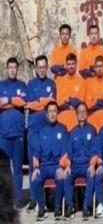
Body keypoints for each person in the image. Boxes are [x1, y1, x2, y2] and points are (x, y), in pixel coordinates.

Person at [31, 101, 72, 221]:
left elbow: (65, 151)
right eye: (50, 111)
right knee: (35, 179)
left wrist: (61, 166)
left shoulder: (63, 129)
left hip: (56, 166)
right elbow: (36, 152)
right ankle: (42, 209)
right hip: (43, 166)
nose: (52, 114)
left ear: (57, 113)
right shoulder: (41, 131)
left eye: (54, 111)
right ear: (47, 114)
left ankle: (57, 208)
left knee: (60, 177)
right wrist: (36, 168)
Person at [26, 54, 56, 211]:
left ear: (47, 67)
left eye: (44, 67)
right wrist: (44, 101)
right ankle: (33, 198)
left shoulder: (52, 83)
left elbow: (52, 105)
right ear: (36, 69)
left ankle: (49, 198)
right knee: (33, 164)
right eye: (39, 67)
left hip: (48, 130)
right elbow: (30, 104)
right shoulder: (30, 84)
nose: (42, 70)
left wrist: (40, 102)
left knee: (47, 162)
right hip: (34, 131)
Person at [0, 57, 27, 206]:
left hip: (18, 134)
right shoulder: (1, 85)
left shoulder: (22, 85)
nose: (12, 70)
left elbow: (23, 102)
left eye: (14, 67)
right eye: (10, 67)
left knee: (17, 169)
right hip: (4, 134)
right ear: (7, 69)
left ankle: (17, 199)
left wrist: (8, 101)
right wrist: (14, 102)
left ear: (17, 69)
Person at [66, 103, 97, 218]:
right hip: (75, 166)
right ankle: (70, 206)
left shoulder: (92, 130)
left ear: (87, 113)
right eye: (79, 111)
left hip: (87, 165)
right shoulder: (73, 132)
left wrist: (92, 165)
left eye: (84, 111)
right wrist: (67, 166)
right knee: (66, 176)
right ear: (76, 114)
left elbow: (95, 150)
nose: (82, 113)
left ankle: (86, 206)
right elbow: (69, 153)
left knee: (91, 175)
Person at [55, 53, 86, 132]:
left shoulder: (82, 82)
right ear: (66, 65)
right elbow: (59, 102)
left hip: (76, 122)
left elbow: (81, 102)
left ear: (76, 64)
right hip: (62, 121)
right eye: (69, 64)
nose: (71, 66)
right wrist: (71, 106)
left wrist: (67, 99)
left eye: (73, 64)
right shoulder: (60, 81)